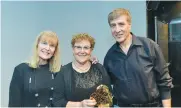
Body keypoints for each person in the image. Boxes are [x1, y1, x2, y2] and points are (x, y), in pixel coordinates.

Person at [103, 8, 173, 107]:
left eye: (121, 24)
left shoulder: (149, 46)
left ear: (129, 25)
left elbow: (164, 82)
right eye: (113, 25)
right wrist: (91, 62)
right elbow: (104, 86)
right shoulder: (110, 56)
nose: (117, 30)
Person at [53, 33, 112, 107]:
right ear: (73, 49)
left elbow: (109, 97)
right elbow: (57, 102)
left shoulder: (100, 69)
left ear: (91, 50)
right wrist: (80, 105)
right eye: (78, 47)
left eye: (86, 47)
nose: (82, 51)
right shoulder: (63, 72)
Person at [9, 31, 61, 107]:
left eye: (52, 45)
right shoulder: (21, 70)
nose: (47, 48)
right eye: (44, 43)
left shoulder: (60, 71)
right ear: (37, 45)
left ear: (55, 51)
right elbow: (14, 104)